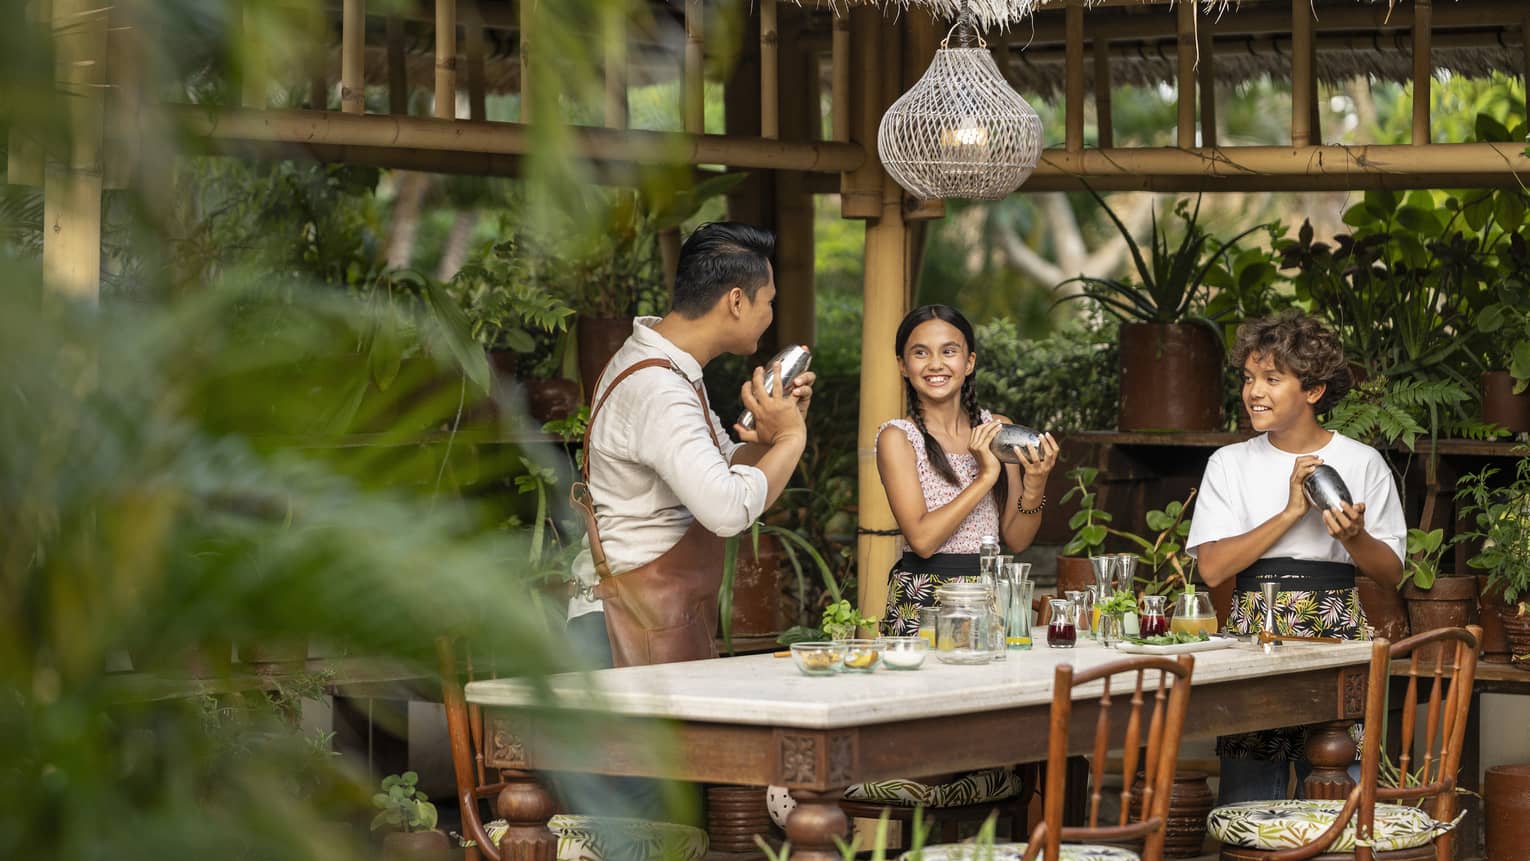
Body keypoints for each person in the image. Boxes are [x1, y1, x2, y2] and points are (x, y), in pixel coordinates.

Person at [568, 222, 815, 669]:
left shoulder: (668, 368)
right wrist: (793, 438)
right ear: (737, 301)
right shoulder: (658, 388)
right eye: (770, 301)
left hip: (650, 614)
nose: (772, 314)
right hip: (622, 625)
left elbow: (724, 464)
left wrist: (771, 436)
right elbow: (726, 509)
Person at [1186, 310, 1405, 805]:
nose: (1253, 392)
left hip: (1337, 631)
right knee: (1247, 799)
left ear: (1313, 391)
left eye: (1271, 379)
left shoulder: (1362, 461)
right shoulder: (1230, 463)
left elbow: (1390, 573)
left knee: (1339, 798)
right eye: (1248, 378)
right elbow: (1214, 568)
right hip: (1253, 634)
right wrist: (1290, 513)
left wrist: (1352, 537)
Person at [875, 304, 1060, 635]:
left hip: (990, 595)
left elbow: (1017, 539)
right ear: (903, 366)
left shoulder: (998, 431)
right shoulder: (898, 438)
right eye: (920, 353)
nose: (935, 364)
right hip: (924, 599)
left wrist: (1036, 483)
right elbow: (922, 541)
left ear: (969, 362)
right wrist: (985, 477)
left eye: (949, 351)